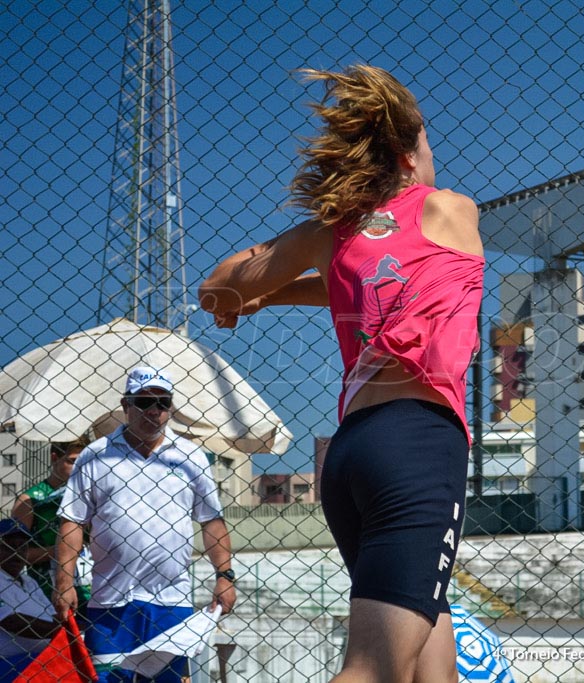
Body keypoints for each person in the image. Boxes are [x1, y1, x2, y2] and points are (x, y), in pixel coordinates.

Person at [198, 64, 484, 683]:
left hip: (352, 454)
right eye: (428, 144)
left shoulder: (329, 235)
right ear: (408, 158)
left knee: (427, 655)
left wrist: (261, 297)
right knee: (373, 670)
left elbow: (217, 289)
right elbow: (403, 279)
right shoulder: (452, 211)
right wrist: (282, 293)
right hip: (418, 441)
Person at [53, 367, 237, 683]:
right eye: (144, 402)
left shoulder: (190, 456)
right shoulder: (96, 456)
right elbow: (73, 520)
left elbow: (212, 521)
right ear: (126, 406)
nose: (154, 411)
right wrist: (64, 581)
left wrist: (225, 576)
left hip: (171, 603)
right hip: (110, 602)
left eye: (163, 403)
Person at [11, 440, 91, 606]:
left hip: (93, 592)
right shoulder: (31, 500)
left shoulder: (91, 495)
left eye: (85, 462)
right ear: (55, 458)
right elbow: (13, 555)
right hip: (48, 592)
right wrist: (61, 550)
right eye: (73, 461)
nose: (80, 468)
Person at [0, 518, 59, 682]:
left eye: (22, 547)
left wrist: (80, 629)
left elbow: (53, 616)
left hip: (44, 658)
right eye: (9, 546)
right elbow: (12, 622)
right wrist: (65, 632)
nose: (16, 553)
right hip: (9, 664)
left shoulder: (28, 581)